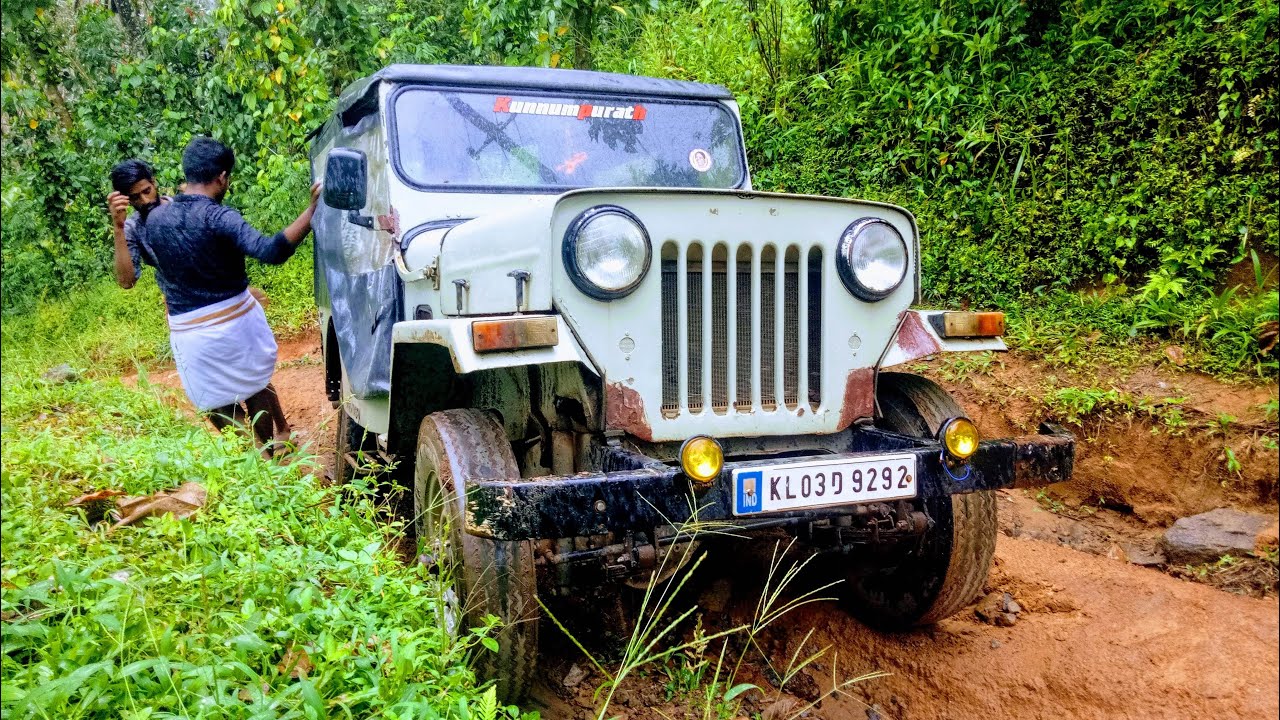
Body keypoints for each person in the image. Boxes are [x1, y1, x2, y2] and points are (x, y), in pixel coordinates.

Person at [110, 138, 318, 455]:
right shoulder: (197, 218)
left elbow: (199, 258)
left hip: (195, 319)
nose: (143, 200)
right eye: (135, 197)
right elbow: (270, 251)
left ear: (159, 183)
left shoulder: (162, 217)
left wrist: (236, 288)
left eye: (146, 191)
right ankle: (264, 451)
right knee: (249, 383)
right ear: (222, 178)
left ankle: (265, 447)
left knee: (231, 392)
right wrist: (314, 210)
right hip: (216, 314)